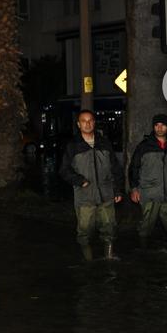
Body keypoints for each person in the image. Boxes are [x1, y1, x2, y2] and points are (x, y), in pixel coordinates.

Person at [59, 109, 124, 260]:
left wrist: (118, 190)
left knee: (109, 228)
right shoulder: (73, 146)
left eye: (90, 120)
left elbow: (115, 168)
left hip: (107, 196)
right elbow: (64, 170)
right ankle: (88, 261)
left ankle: (109, 257)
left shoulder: (105, 143)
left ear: (94, 123)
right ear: (78, 124)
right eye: (83, 121)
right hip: (85, 198)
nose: (87, 124)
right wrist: (79, 180)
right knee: (85, 231)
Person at [128, 113, 167, 248]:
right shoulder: (144, 146)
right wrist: (134, 188)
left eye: (163, 125)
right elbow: (134, 168)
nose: (159, 128)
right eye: (157, 125)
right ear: (153, 127)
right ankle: (143, 253)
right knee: (145, 227)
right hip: (149, 194)